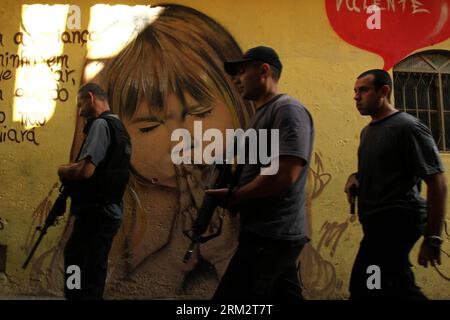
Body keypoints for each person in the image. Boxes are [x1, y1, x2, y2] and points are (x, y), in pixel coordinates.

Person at [40, 4, 254, 299]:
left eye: (200, 112)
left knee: (82, 265)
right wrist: (174, 259)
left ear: (238, 102)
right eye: (150, 126)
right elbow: (61, 271)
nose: (183, 138)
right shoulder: (130, 203)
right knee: (84, 265)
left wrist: (227, 250)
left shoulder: (252, 177)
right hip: (104, 216)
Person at [207, 46, 315, 300]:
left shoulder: (287, 110)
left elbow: (284, 175)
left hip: (273, 234)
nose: (236, 79)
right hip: (265, 231)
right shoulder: (260, 116)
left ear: (264, 70)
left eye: (242, 71)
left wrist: (237, 195)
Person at [344, 69, 447, 300]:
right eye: (355, 91)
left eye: (363, 90)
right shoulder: (367, 132)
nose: (356, 96)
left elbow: (437, 182)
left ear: (384, 91)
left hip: (396, 222)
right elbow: (383, 168)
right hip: (376, 225)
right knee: (389, 287)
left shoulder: (408, 127)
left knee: (367, 286)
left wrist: (433, 237)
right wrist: (356, 177)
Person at [57, 83, 131, 300]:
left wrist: (63, 169)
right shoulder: (119, 127)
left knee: (74, 259)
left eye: (80, 104)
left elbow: (85, 170)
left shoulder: (100, 125)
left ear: (91, 98)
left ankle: (74, 296)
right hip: (110, 210)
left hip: (96, 212)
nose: (80, 111)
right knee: (94, 266)